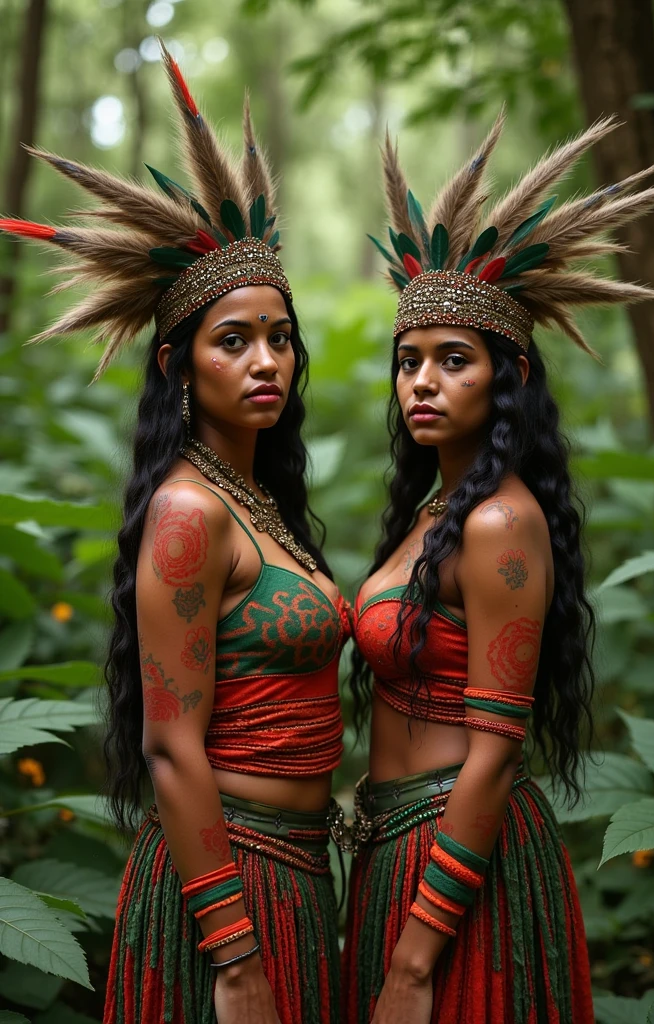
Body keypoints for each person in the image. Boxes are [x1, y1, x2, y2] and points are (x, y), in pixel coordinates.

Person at [1, 44, 348, 1024]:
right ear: (177, 362)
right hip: (226, 896)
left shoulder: (258, 502)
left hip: (293, 876)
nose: (265, 359)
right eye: (232, 340)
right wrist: (234, 960)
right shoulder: (190, 511)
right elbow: (170, 748)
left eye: (280, 337)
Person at [340, 109, 654, 1024]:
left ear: (510, 379)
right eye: (407, 361)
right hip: (398, 859)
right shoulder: (432, 509)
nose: (421, 381)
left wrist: (414, 963)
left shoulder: (499, 522)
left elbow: (495, 753)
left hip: (460, 878)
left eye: (454, 361)